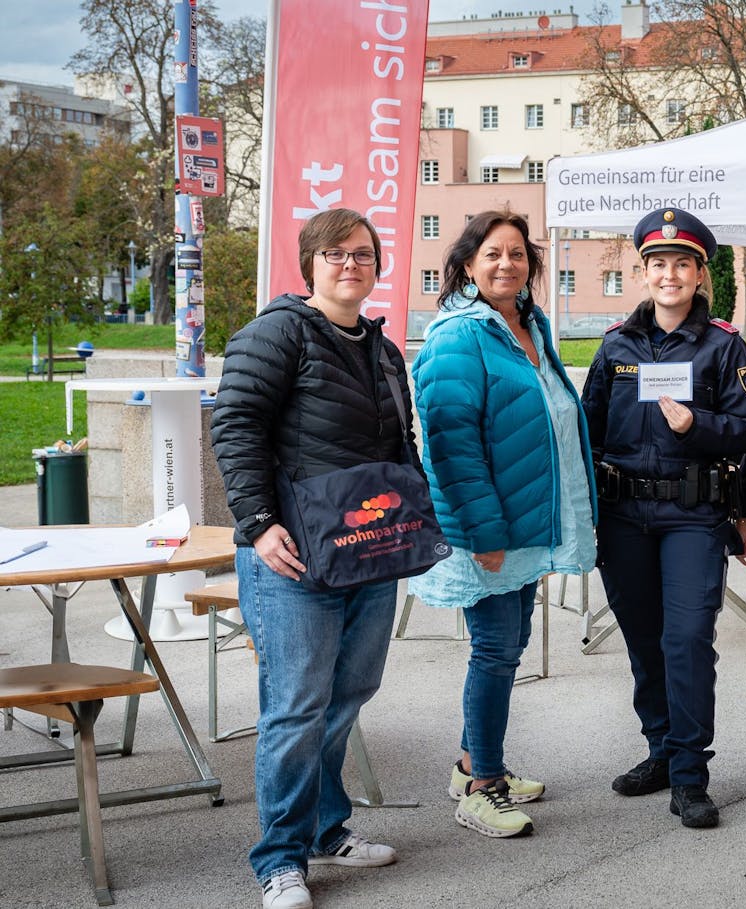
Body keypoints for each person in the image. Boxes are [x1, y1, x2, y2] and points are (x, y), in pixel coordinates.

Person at [211, 209, 417, 909]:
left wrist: (414, 519)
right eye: (335, 253)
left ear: (377, 264)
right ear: (309, 263)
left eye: (362, 253)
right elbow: (233, 421)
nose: (350, 264)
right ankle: (279, 857)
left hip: (367, 550)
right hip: (292, 557)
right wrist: (259, 523)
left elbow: (401, 444)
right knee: (296, 707)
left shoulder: (382, 348)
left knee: (348, 693)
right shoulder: (278, 332)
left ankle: (326, 827)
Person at [410, 210, 597, 838]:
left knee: (508, 647)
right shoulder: (458, 336)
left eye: (517, 254)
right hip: (487, 528)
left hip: (522, 520)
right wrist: (482, 534)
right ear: (467, 264)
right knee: (494, 651)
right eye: (492, 254)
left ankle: (474, 764)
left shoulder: (527, 326)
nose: (505, 264)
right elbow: (450, 444)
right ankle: (482, 785)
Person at [580, 208, 746, 829]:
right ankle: (660, 748)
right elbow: (590, 433)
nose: (669, 274)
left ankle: (690, 774)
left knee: (686, 641)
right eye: (657, 263)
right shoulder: (615, 345)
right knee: (642, 639)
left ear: (699, 273)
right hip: (624, 516)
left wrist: (700, 424)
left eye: (681, 263)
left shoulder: (723, 344)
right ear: (643, 273)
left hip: (692, 514)